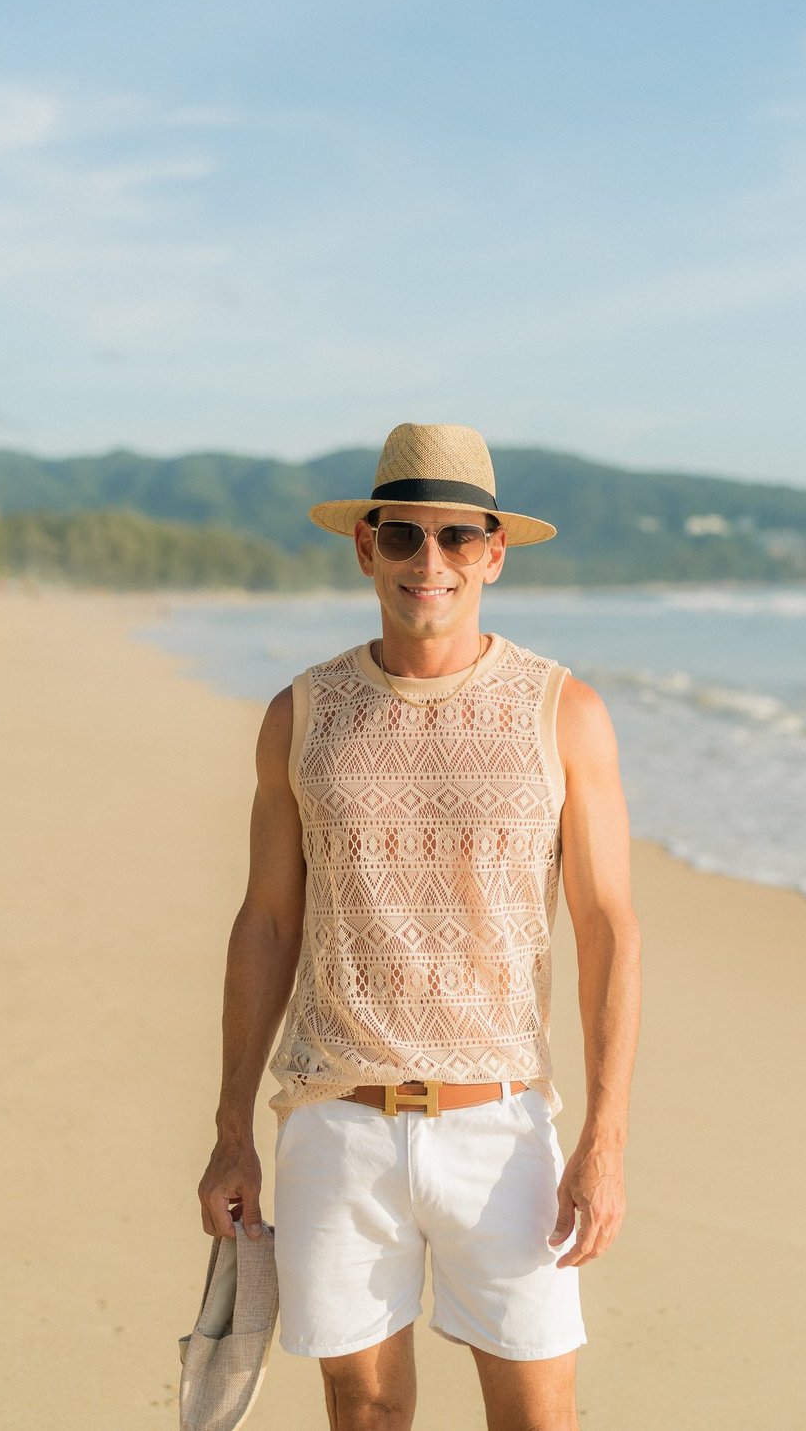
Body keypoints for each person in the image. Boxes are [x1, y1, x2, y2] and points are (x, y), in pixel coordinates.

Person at [198, 422, 641, 1431]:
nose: (427, 561)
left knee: (537, 1415)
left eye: (455, 537)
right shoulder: (301, 714)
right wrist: (231, 1131)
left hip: (503, 1128)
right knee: (363, 1409)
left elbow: (609, 927)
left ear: (493, 552)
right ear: (367, 547)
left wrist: (605, 1139)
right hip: (334, 1121)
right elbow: (266, 921)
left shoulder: (563, 711)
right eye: (402, 535)